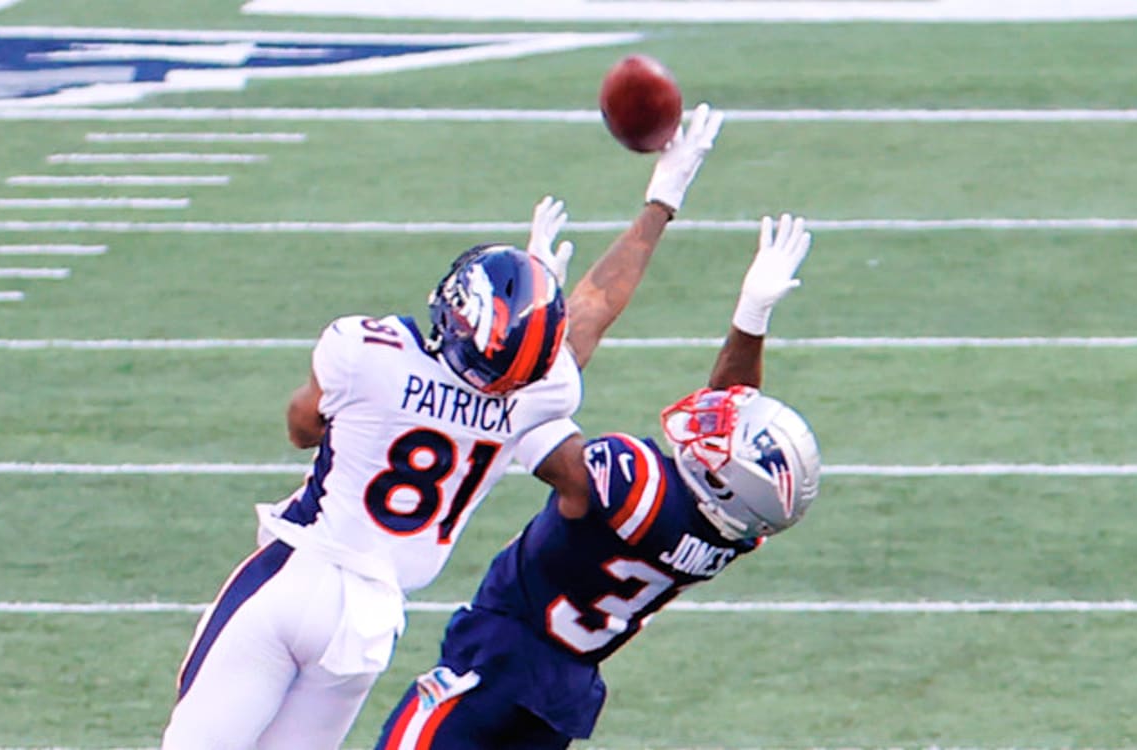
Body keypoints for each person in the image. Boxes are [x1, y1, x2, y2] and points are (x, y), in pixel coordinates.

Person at [161, 104, 726, 750]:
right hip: (368, 623)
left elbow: (300, 426)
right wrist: (662, 201)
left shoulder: (367, 350)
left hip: (299, 575)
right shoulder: (531, 396)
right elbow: (593, 310)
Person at [372, 214, 822, 749]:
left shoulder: (630, 481)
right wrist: (752, 317)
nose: (711, 423)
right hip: (563, 692)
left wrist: (527, 334)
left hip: (498, 663)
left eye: (721, 437)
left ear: (723, 481)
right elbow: (729, 417)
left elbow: (523, 419)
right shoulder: (733, 532)